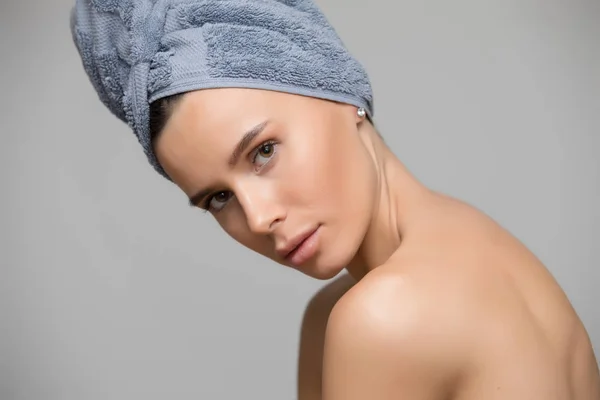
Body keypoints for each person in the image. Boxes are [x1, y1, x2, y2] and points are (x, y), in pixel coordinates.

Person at [70, 0, 600, 398]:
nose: (258, 218)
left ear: (339, 89)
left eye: (263, 151)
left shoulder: (383, 316)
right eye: (217, 198)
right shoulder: (481, 246)